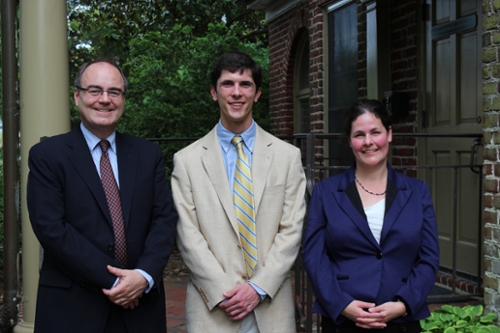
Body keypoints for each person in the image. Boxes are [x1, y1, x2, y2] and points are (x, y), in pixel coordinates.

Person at [27, 59, 177, 333]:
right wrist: (118, 282)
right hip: (72, 306)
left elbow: (164, 220)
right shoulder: (48, 155)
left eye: (114, 92)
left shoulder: (147, 155)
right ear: (77, 96)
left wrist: (142, 277)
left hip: (140, 307)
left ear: (123, 99)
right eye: (95, 91)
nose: (104, 100)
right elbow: (51, 228)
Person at [171, 51, 307, 333]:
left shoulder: (287, 156)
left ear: (257, 93)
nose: (236, 93)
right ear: (213, 91)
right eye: (227, 84)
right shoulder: (187, 160)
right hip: (215, 309)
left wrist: (257, 287)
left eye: (245, 84)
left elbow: (292, 230)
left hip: (271, 308)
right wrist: (224, 291)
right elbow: (187, 235)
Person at [302, 99, 439, 333]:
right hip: (343, 321)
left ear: (390, 134)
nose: (368, 142)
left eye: (376, 132)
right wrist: (342, 303)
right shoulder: (326, 192)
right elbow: (314, 256)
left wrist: (403, 304)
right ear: (349, 141)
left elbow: (429, 257)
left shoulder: (417, 192)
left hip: (400, 320)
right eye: (359, 135)